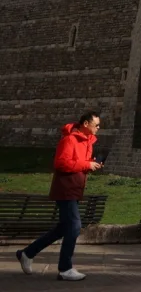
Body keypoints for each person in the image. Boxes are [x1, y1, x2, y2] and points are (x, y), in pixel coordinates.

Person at [16, 112, 103, 281]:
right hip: (65, 189)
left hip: (75, 189)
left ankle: (27, 253)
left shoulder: (88, 142)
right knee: (75, 226)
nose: (99, 128)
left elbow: (77, 163)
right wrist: (86, 164)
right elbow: (61, 163)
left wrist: (92, 164)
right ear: (86, 124)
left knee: (63, 228)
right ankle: (65, 268)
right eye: (96, 125)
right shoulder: (70, 140)